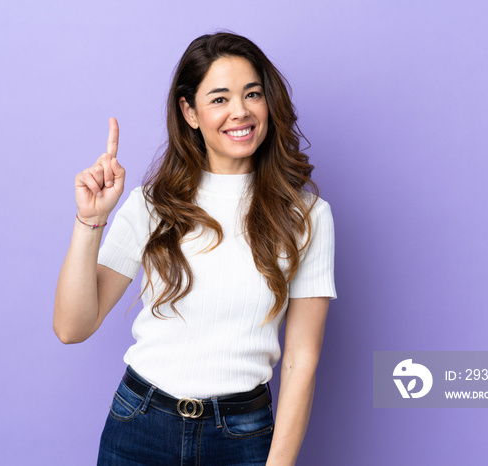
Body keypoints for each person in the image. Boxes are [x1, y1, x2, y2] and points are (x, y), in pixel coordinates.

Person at [54, 32, 336, 466]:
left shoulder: (308, 216)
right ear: (190, 112)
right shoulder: (152, 205)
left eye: (252, 94)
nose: (239, 111)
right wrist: (90, 219)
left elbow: (302, 361)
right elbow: (72, 327)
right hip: (139, 426)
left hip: (241, 436)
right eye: (219, 99)